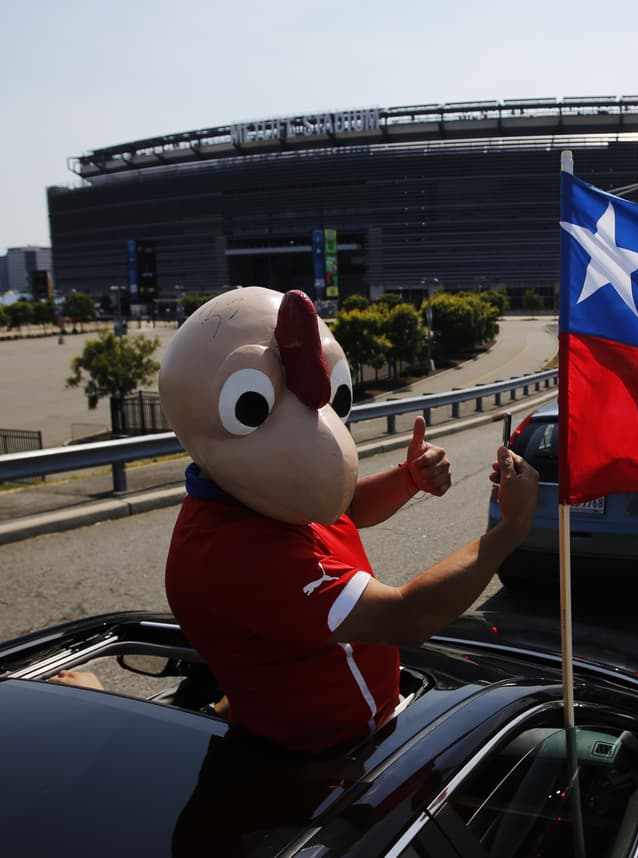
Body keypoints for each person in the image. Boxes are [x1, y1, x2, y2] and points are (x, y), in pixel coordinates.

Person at [160, 287, 538, 754]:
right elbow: (407, 617)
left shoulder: (258, 493)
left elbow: (343, 508)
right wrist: (509, 531)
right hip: (334, 763)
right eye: (253, 407)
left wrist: (407, 480)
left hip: (360, 728)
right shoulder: (232, 553)